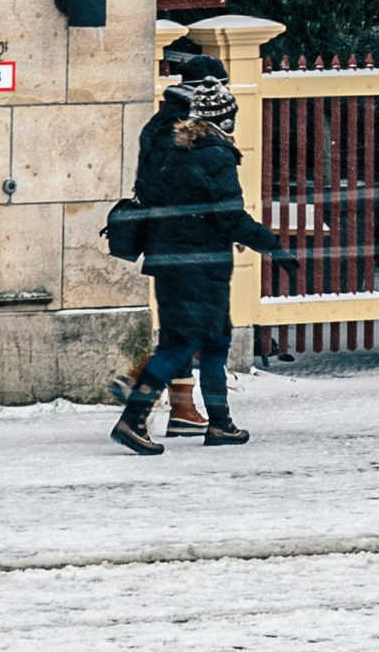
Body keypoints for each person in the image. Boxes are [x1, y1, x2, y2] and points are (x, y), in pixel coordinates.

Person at [112, 67, 283, 454]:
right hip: (197, 259)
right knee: (182, 341)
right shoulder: (210, 153)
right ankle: (133, 418)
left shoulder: (170, 140)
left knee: (215, 337)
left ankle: (218, 423)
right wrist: (266, 243)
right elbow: (225, 213)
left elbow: (164, 197)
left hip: (175, 253)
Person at [136, 37, 223, 434]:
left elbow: (150, 183)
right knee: (191, 329)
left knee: (180, 326)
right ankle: (152, 398)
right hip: (190, 243)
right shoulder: (189, 127)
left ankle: (179, 408)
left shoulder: (158, 122)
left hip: (164, 237)